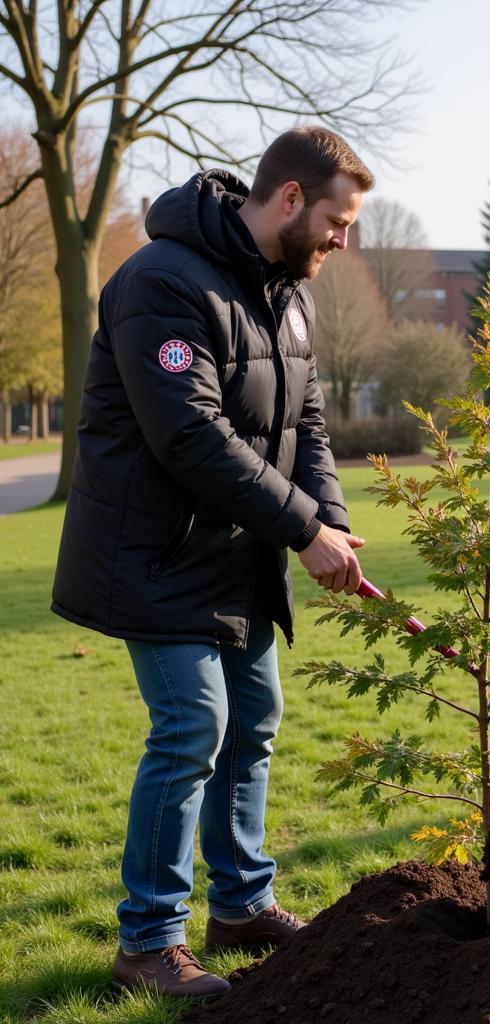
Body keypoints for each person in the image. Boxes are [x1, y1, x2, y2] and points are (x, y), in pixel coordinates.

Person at [51, 127, 373, 1000]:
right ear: (292, 199)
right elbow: (189, 435)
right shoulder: (161, 281)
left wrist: (329, 526)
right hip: (153, 555)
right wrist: (303, 527)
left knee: (254, 721)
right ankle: (148, 942)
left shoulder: (289, 298)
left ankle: (239, 904)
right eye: (340, 221)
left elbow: (306, 428)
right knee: (193, 727)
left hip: (238, 554)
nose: (344, 240)